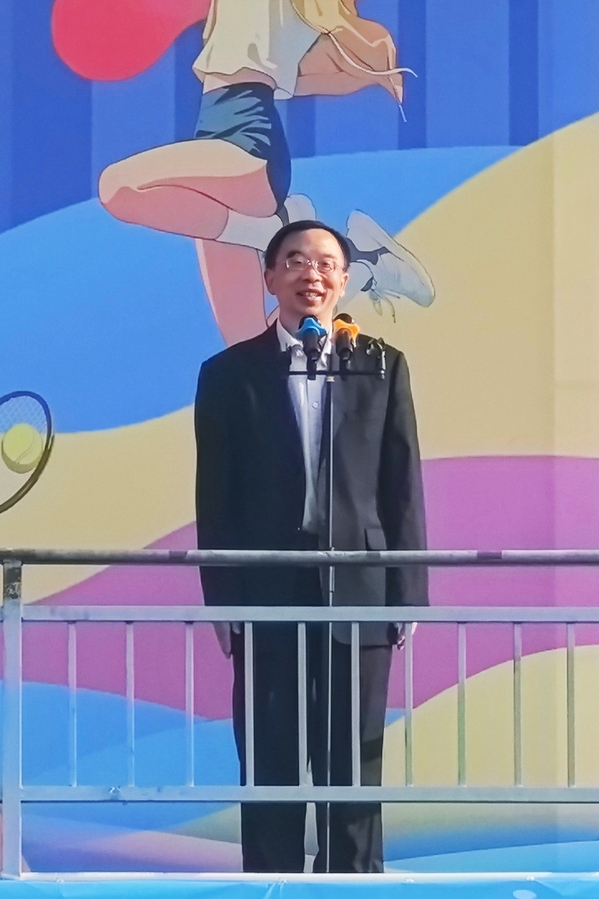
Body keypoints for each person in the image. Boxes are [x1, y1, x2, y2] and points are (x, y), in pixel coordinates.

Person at [194, 220, 428, 873]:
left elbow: (401, 486)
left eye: (326, 263)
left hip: (359, 589)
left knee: (353, 760)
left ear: (343, 281)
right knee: (269, 757)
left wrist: (407, 592)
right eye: (295, 260)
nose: (311, 274)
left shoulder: (380, 364)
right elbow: (215, 499)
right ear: (271, 277)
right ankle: (270, 884)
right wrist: (222, 600)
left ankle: (352, 883)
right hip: (267, 591)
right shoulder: (228, 374)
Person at [99, 0, 434, 347]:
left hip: (249, 145)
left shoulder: (276, 10)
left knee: (118, 188)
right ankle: (364, 263)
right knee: (251, 348)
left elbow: (335, 66)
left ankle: (279, 232)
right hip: (215, 149)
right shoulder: (238, 19)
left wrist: (371, 66)